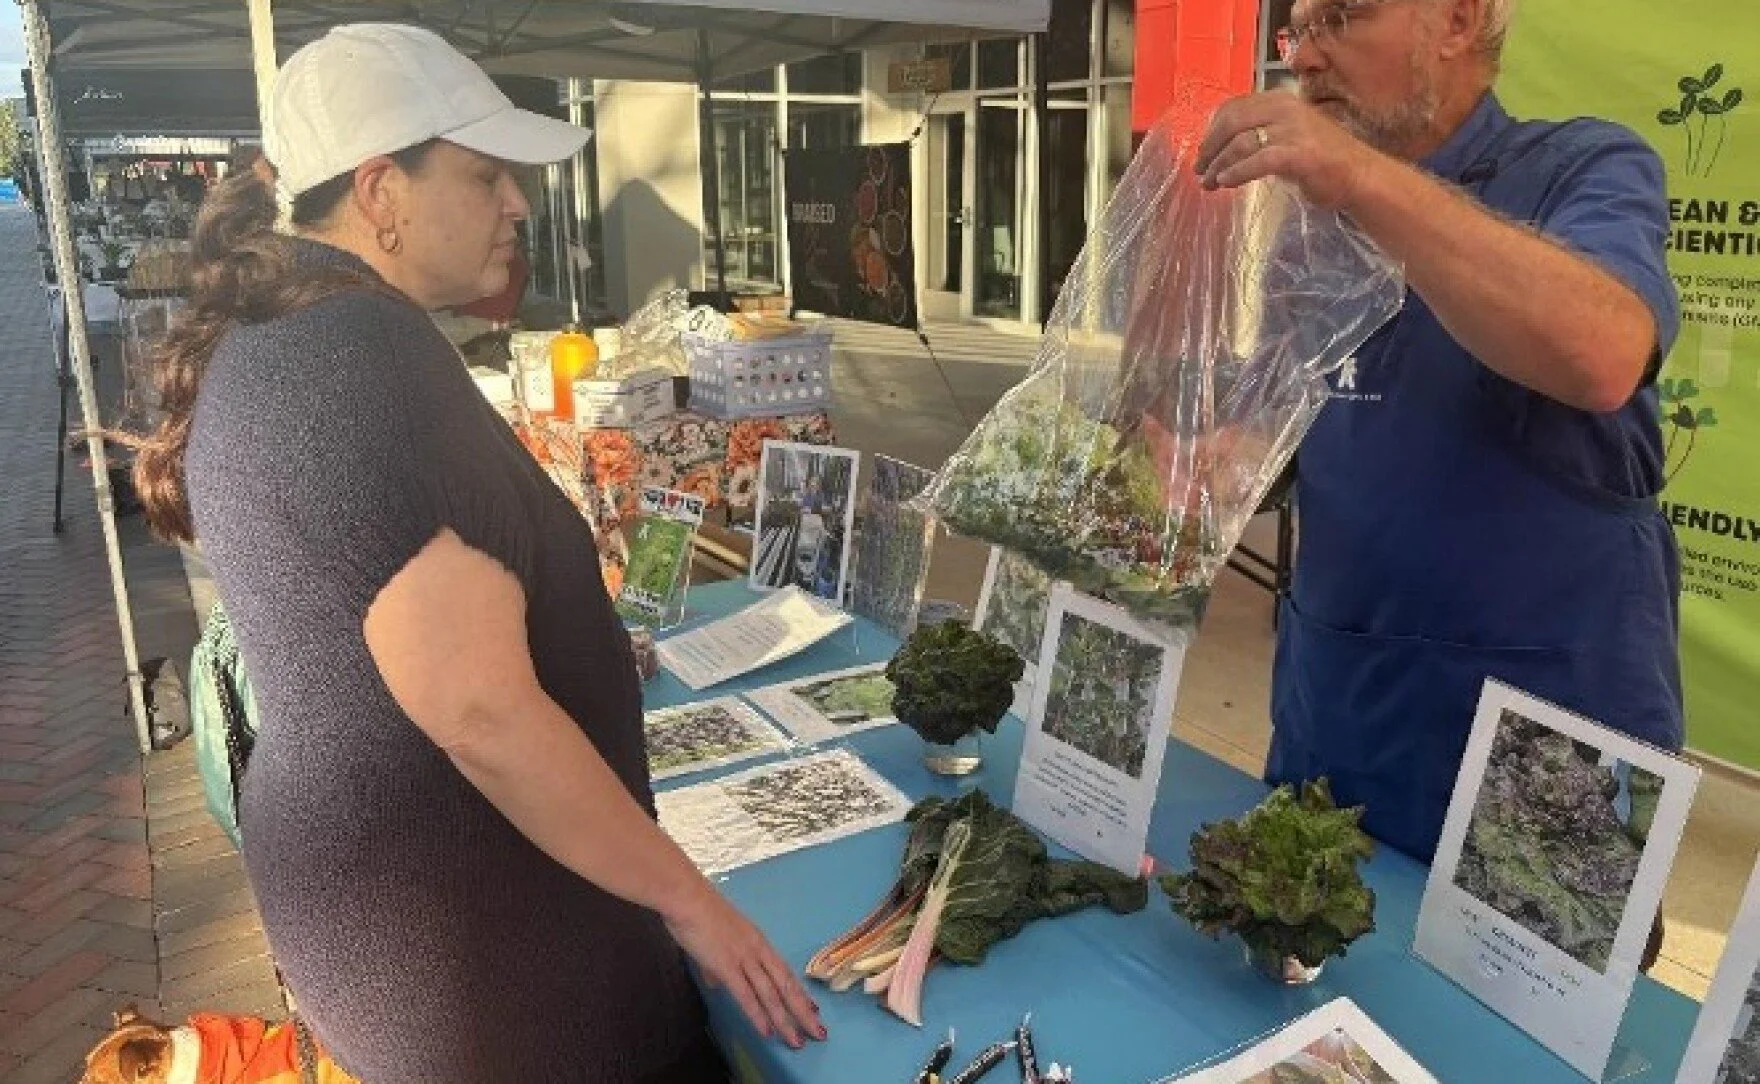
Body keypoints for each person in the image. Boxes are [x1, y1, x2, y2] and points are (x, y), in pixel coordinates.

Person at [122, 23, 823, 1082]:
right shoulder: (361, 353)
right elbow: (478, 712)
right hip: (495, 981)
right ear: (380, 191)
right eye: (485, 174)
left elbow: (372, 621)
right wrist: (690, 900)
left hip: (397, 948)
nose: (518, 205)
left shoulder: (273, 339)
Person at [1195, 0, 1682, 863]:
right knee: (1298, 966)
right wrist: (1219, 467)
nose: (1305, 58)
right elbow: (1291, 427)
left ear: (1457, 19)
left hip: (1543, 746)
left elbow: (1604, 354)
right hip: (1336, 713)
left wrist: (1359, 177)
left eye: (1339, 19)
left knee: (1512, 994)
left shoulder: (1584, 165)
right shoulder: (1311, 235)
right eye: (1295, 30)